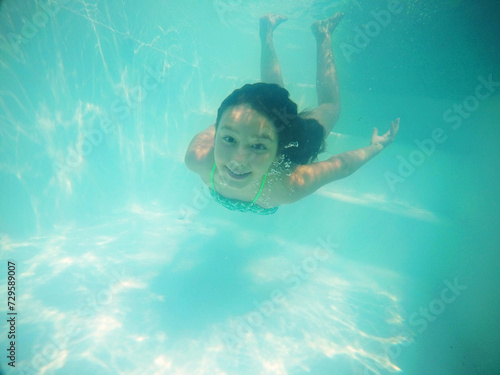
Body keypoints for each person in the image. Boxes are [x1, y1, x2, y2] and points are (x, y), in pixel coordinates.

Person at [184, 13, 399, 215]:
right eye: (229, 138)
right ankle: (267, 31)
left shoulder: (287, 185)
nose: (238, 160)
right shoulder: (197, 157)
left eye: (258, 146)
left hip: (287, 140)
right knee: (270, 102)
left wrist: (375, 147)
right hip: (266, 131)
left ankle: (323, 33)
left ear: (279, 150)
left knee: (330, 108)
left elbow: (340, 166)